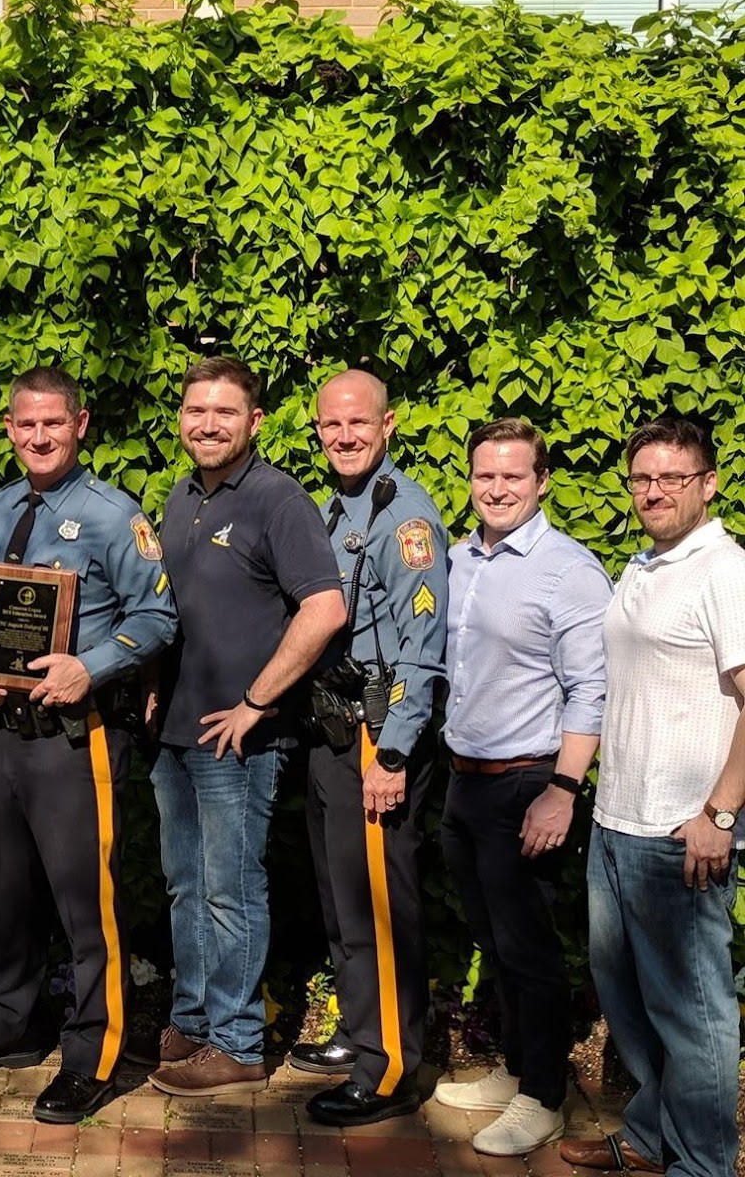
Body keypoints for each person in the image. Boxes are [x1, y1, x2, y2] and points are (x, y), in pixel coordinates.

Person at [0, 366, 177, 1125]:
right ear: (9, 429)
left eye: (53, 424)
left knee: (85, 902)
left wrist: (88, 667)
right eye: (26, 424)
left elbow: (157, 617)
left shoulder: (114, 515)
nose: (39, 437)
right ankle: (10, 1023)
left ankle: (94, 1053)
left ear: (80, 425)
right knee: (6, 892)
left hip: (75, 737)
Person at [143, 357, 344, 1098]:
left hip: (240, 738)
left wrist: (258, 702)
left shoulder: (278, 500)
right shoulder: (178, 497)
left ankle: (237, 1042)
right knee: (186, 885)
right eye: (196, 410)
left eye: (224, 412)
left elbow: (324, 608)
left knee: (230, 888)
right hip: (177, 731)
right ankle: (194, 1021)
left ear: (254, 422)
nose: (208, 424)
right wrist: (153, 686)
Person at [558, 415, 744, 1177]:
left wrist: (720, 814)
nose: (654, 491)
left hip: (681, 831)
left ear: (709, 484)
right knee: (627, 998)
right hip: (616, 821)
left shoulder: (724, 571)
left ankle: (700, 1164)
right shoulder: (643, 564)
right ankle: (652, 1135)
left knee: (692, 1014)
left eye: (673, 477)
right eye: (642, 478)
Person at [433, 418, 611, 1157]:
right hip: (465, 779)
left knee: (529, 947)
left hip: (529, 784)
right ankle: (514, 1069)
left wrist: (563, 789)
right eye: (486, 475)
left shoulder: (569, 571)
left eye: (513, 475)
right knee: (493, 938)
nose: (498, 488)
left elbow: (592, 688)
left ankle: (543, 1096)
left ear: (542, 482)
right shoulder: (457, 559)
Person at [294, 367, 447, 1127]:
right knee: (343, 900)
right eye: (332, 424)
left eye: (359, 423)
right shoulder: (335, 505)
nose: (345, 436)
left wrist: (391, 754)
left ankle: (387, 1068)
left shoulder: (405, 517)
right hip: (334, 728)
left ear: (388, 426)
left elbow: (423, 648)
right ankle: (363, 1033)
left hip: (376, 736)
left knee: (379, 909)